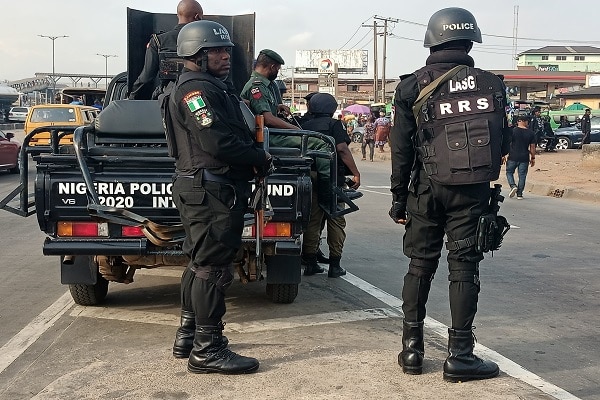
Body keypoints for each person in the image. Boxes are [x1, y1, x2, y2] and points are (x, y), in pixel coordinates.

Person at [388, 7, 511, 382]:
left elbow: (401, 147)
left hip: (426, 189)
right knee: (464, 268)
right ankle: (461, 355)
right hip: (472, 193)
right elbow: (502, 140)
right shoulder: (492, 83)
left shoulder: (411, 86)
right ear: (469, 39)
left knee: (420, 265)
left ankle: (412, 350)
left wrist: (398, 197)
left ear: (432, 39)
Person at [160, 20, 272, 374]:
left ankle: (189, 334)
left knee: (199, 262)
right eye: (216, 51)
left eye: (226, 50)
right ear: (196, 54)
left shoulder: (208, 87)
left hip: (205, 187)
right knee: (213, 267)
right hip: (210, 189)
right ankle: (208, 349)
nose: (225, 57)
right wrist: (261, 158)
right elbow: (217, 142)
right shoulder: (196, 92)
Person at [241, 49, 360, 214]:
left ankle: (332, 189)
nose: (277, 72)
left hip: (269, 134)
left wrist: (277, 107)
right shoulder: (257, 86)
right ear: (271, 66)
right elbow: (267, 118)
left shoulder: (262, 85)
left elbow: (262, 109)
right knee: (324, 144)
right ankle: (328, 197)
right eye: (278, 69)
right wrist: (296, 130)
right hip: (270, 137)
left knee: (323, 142)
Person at [300, 93, 361, 278]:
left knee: (313, 220)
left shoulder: (303, 125)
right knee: (336, 220)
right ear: (332, 108)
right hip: (333, 177)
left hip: (311, 178)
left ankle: (310, 263)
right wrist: (356, 173)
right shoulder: (334, 125)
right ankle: (335, 265)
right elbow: (342, 149)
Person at [129, 0, 203, 100]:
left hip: (168, 100)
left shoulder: (158, 41)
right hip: (200, 96)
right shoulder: (207, 41)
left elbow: (146, 78)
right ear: (197, 17)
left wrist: (131, 98)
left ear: (178, 15)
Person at [505, 115, 536, 200]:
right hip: (524, 157)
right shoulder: (531, 133)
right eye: (527, 121)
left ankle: (513, 185)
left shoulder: (512, 131)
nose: (528, 123)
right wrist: (533, 158)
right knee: (522, 176)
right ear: (523, 121)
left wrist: (503, 154)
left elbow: (507, 143)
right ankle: (519, 194)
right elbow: (532, 147)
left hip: (512, 156)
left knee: (509, 172)